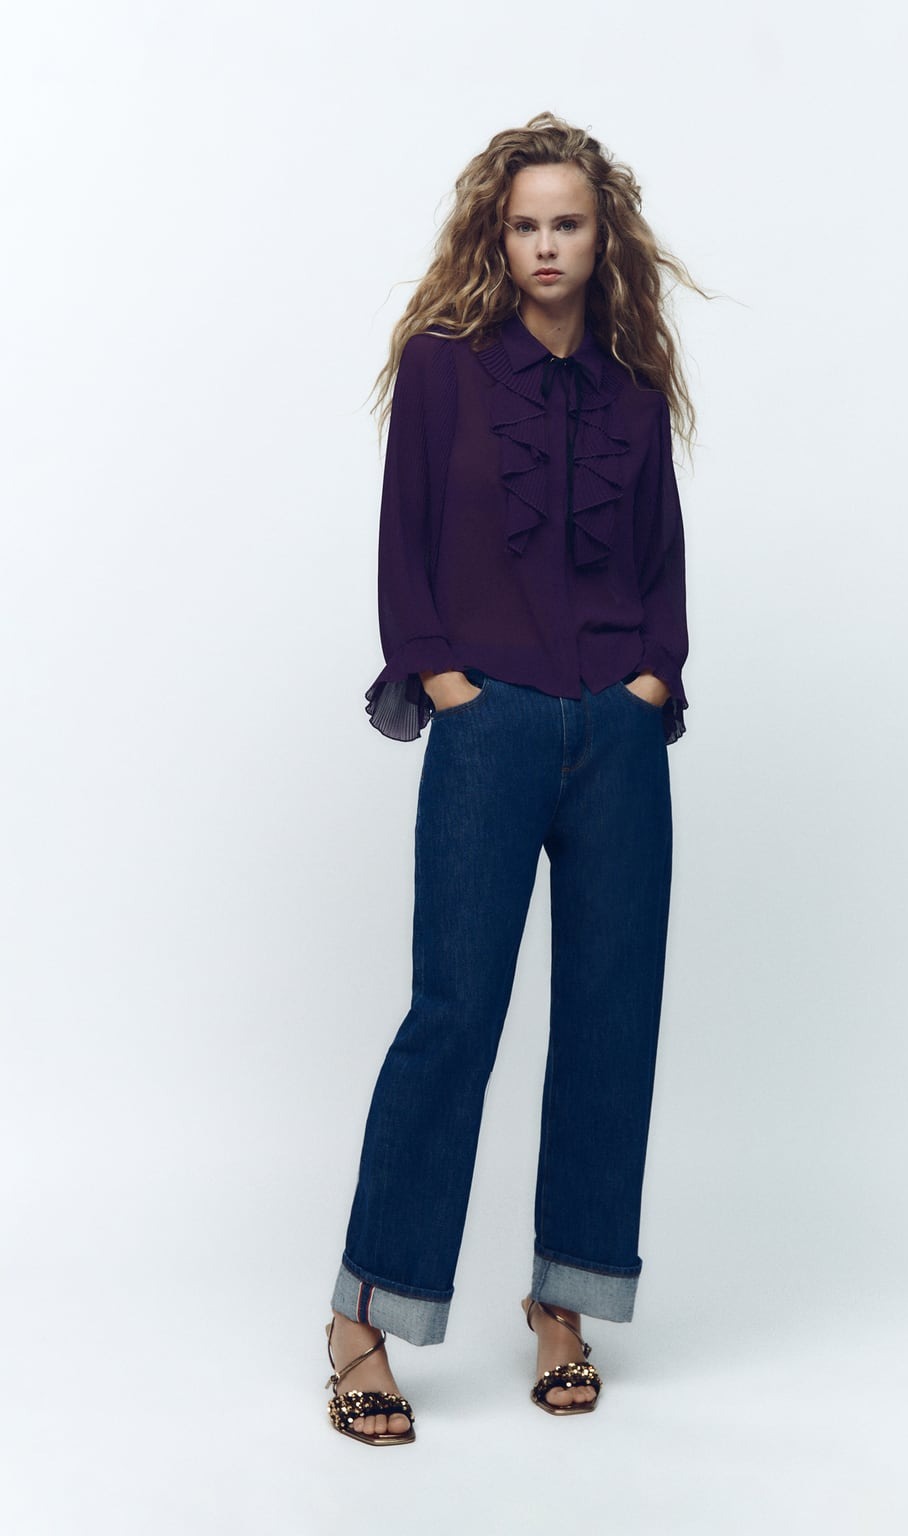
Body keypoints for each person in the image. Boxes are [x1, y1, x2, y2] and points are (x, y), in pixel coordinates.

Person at [324, 111, 707, 1446]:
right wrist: (442, 680)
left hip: (616, 730)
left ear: (604, 239)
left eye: (569, 224)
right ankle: (364, 1322)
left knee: (612, 1017)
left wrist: (652, 678)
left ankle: (564, 1305)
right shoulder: (442, 369)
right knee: (454, 1014)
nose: (547, 245)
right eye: (527, 224)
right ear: (499, 236)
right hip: (487, 722)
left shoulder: (635, 388)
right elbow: (405, 541)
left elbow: (660, 555)